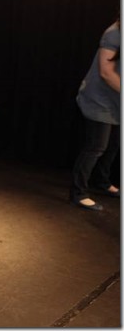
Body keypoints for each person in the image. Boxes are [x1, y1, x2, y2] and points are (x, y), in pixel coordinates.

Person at [70, 18, 121, 211]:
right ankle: (78, 192)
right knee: (96, 146)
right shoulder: (114, 33)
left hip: (116, 102)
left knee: (114, 144)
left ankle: (102, 181)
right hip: (100, 100)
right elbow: (106, 71)